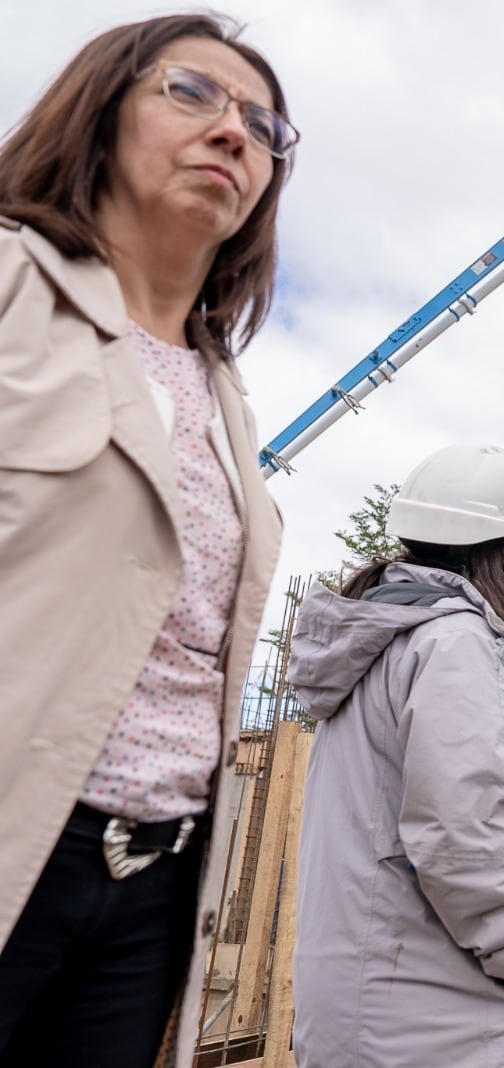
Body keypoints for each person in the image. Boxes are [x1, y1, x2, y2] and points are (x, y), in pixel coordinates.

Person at [0, 15, 291, 1066]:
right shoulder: (13, 288)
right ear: (100, 114)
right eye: (193, 94)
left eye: (262, 125)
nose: (234, 134)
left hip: (156, 886)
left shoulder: (224, 399)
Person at [290, 444, 504, 1067]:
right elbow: (470, 829)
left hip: (379, 1005)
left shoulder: (382, 644)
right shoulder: (456, 646)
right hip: (446, 1023)